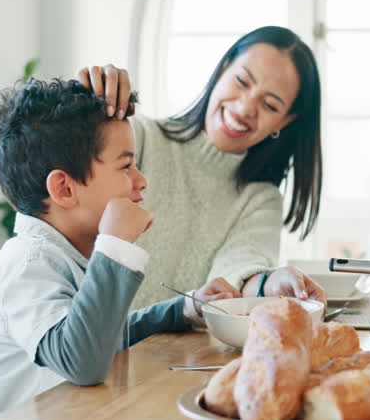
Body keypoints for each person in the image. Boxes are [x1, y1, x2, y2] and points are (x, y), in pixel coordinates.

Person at [0, 79, 233, 420]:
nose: (141, 181)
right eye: (125, 166)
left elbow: (104, 335)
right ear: (65, 189)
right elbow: (81, 361)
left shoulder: (67, 253)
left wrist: (182, 309)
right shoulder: (27, 263)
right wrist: (114, 246)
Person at [78, 26, 326, 308]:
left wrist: (270, 282)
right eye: (242, 82)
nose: (245, 108)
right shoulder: (140, 139)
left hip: (172, 352)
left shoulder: (259, 199)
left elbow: (240, 270)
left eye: (269, 105)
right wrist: (89, 96)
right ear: (222, 70)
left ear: (284, 122)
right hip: (88, 344)